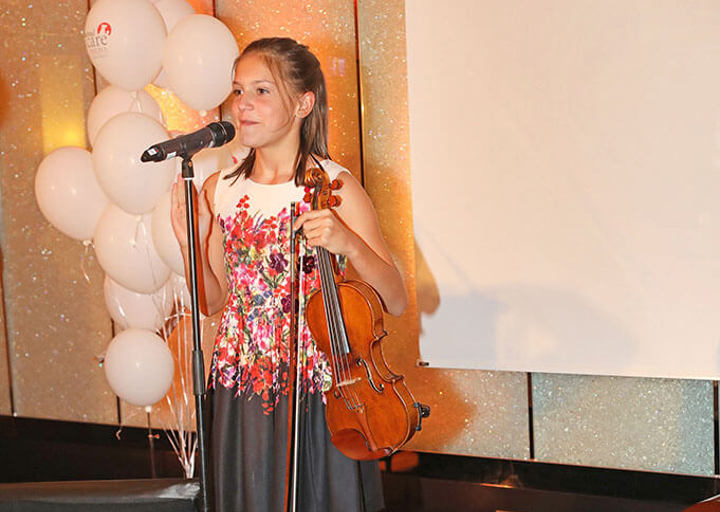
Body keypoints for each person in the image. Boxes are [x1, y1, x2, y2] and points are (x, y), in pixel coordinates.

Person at [171, 37, 407, 512]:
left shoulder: (336, 186)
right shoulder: (221, 189)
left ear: (303, 103)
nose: (243, 105)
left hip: (320, 386)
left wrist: (349, 244)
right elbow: (212, 302)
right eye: (238, 91)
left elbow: (396, 299)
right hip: (242, 382)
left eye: (261, 91)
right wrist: (188, 242)